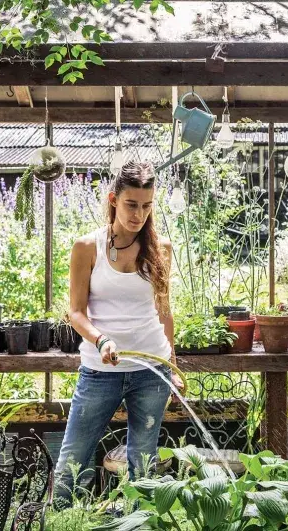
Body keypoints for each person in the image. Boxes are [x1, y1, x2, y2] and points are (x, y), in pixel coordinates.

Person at [53, 162, 182, 507]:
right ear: (113, 200)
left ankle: (137, 523)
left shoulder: (161, 249)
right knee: (74, 456)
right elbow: (76, 312)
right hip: (100, 370)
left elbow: (164, 312)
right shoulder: (87, 247)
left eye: (146, 205)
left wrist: (173, 366)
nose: (139, 214)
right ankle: (63, 520)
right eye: (131, 204)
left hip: (151, 370)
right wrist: (101, 340)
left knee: (142, 462)